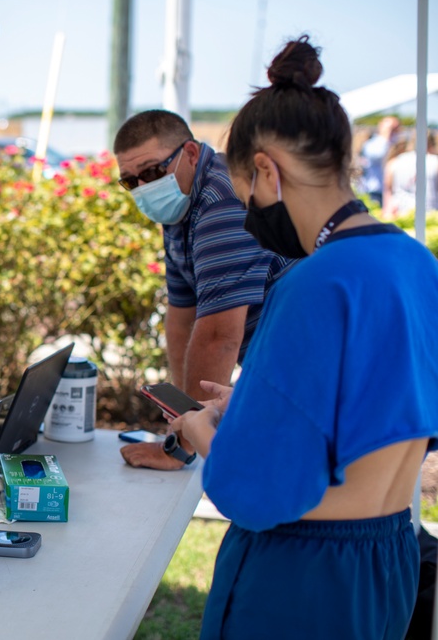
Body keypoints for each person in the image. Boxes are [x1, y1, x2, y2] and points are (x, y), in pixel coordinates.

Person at [171, 36, 438, 639]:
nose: (250, 219)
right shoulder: (417, 263)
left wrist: (204, 431)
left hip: (302, 572)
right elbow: (383, 417)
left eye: (246, 198)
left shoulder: (315, 283)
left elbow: (260, 489)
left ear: (266, 168)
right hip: (390, 556)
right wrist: (254, 408)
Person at [113, 110, 293, 470]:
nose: (144, 188)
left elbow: (217, 337)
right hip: (283, 376)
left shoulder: (222, 199)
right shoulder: (182, 204)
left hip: (312, 380)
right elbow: (183, 319)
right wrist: (183, 421)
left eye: (151, 172)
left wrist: (179, 448)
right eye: (130, 182)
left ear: (191, 154)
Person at [382, 131, 438, 218]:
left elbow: (387, 190)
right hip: (430, 215)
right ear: (432, 144)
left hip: (400, 215)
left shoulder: (395, 161)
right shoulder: (435, 161)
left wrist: (387, 213)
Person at [358, 115, 402, 206]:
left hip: (394, 193)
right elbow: (378, 156)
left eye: (395, 128)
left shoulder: (398, 144)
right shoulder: (372, 144)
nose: (394, 132)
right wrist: (386, 136)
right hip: (375, 192)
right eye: (391, 128)